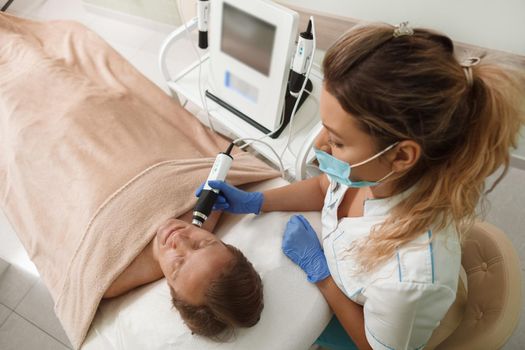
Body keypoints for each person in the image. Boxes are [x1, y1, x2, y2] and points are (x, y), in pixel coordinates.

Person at [196, 22, 525, 349]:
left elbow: (372, 347)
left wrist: (321, 274)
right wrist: (255, 201)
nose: (319, 147)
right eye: (324, 128)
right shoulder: (367, 172)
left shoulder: (408, 278)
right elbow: (325, 188)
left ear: (401, 156)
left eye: (337, 141)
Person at [102, 211, 263, 339]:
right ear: (224, 243)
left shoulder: (110, 278)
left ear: (172, 290)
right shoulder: (213, 199)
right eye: (203, 244)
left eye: (178, 264)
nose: (179, 238)